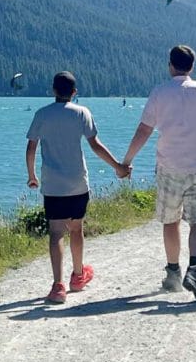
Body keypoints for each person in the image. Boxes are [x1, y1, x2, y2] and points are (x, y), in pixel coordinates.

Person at [121, 45, 196, 301]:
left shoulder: (160, 92)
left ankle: (173, 273)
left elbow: (144, 130)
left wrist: (126, 161)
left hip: (169, 168)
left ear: (170, 65)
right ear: (192, 66)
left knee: (170, 220)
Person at [26, 71, 132, 304]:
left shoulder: (42, 114)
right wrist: (118, 167)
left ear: (53, 90)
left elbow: (31, 148)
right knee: (76, 229)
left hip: (53, 185)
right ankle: (77, 276)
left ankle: (57, 286)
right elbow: (95, 145)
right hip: (77, 183)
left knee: (56, 234)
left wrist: (32, 176)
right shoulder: (82, 113)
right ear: (74, 93)